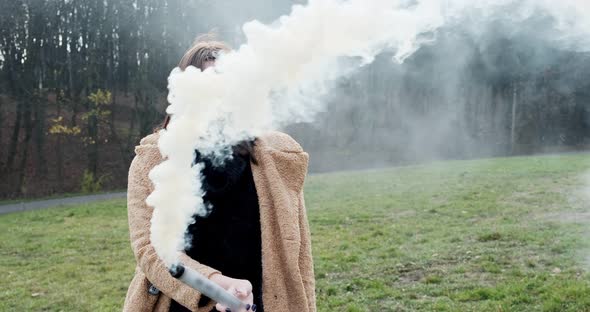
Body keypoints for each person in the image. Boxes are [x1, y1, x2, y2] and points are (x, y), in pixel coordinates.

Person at [123, 35, 316, 312]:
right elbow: (149, 249)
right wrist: (217, 285)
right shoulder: (153, 160)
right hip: (180, 304)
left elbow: (300, 259)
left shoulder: (277, 157)